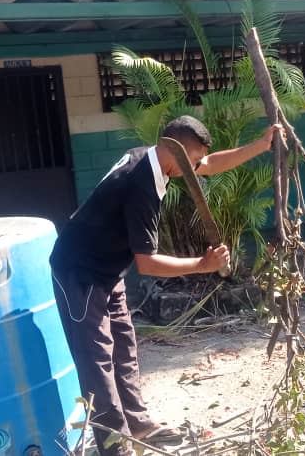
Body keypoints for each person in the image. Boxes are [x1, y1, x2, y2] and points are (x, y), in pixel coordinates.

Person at [51, 115, 284, 456]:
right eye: (191, 161)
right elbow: (147, 264)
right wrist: (202, 265)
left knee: (123, 349)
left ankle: (139, 422)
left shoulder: (154, 156)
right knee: (97, 359)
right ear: (175, 152)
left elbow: (209, 163)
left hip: (107, 269)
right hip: (80, 272)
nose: (196, 168)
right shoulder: (141, 184)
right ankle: (116, 446)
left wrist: (260, 146)